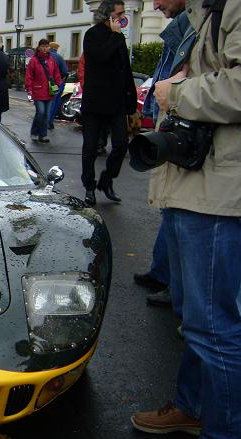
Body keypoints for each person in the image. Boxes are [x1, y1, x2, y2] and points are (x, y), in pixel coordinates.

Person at [130, 0, 241, 439]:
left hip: (217, 195)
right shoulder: (202, 15)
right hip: (195, 186)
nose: (153, 4)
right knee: (196, 321)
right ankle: (194, 408)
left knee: (214, 326)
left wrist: (177, 92)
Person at [133, 0, 192, 311]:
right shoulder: (189, 22)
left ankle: (181, 297)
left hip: (183, 136)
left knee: (179, 215)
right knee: (170, 211)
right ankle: (165, 275)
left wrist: (174, 98)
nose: (154, 4)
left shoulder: (196, 24)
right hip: (173, 130)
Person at [81, 0, 137, 206]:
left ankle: (106, 180)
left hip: (116, 103)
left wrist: (131, 102)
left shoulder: (118, 37)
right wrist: (114, 36)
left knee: (122, 144)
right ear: (107, 16)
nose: (123, 17)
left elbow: (125, 70)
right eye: (119, 14)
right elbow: (101, 57)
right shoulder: (92, 35)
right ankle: (89, 186)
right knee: (90, 148)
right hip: (95, 103)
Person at [25, 39, 62, 143]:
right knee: (40, 112)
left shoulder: (51, 60)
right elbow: (29, 76)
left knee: (46, 114)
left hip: (49, 91)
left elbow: (57, 74)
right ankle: (35, 132)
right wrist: (29, 88)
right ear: (39, 47)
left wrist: (58, 84)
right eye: (43, 46)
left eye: (47, 46)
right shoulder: (34, 60)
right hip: (38, 91)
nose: (45, 48)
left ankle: (43, 135)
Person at [47, 41, 68, 130]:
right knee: (54, 102)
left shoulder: (44, 56)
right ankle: (49, 122)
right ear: (56, 48)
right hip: (55, 83)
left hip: (44, 82)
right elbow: (64, 71)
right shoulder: (58, 57)